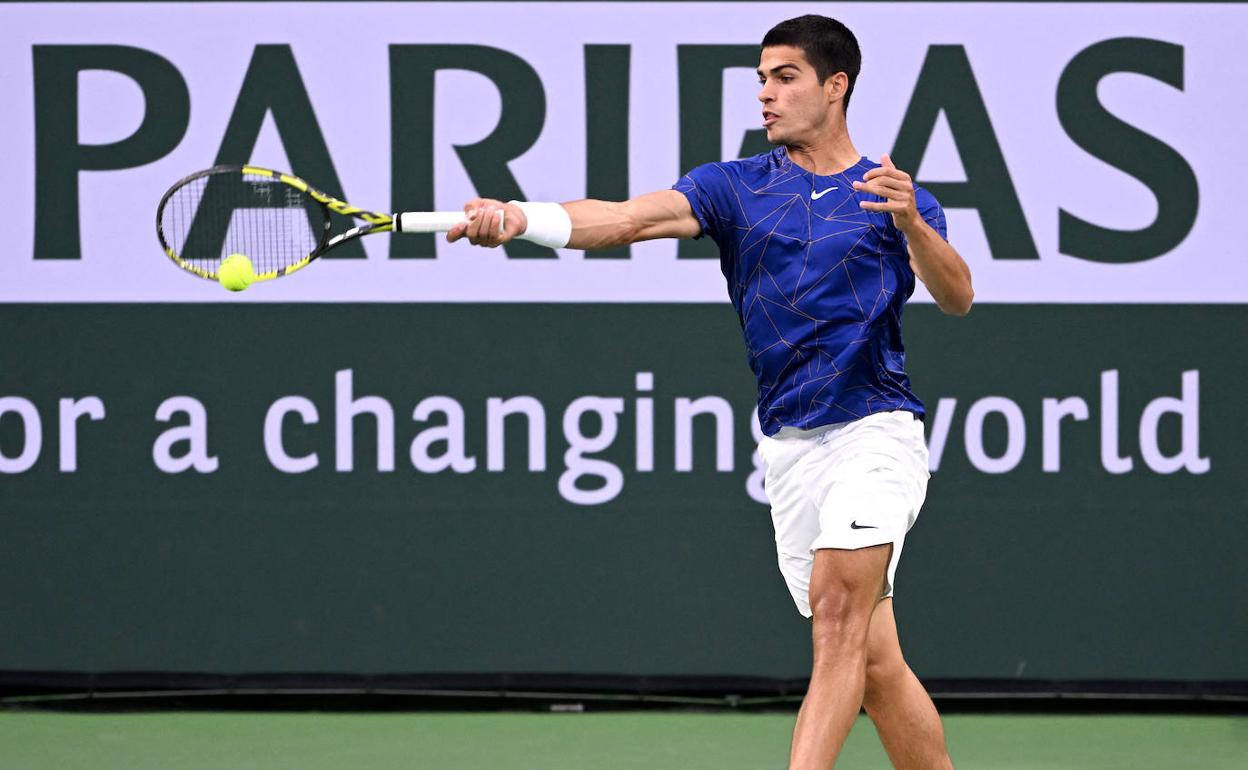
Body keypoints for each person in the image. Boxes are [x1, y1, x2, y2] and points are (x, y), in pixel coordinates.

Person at [448, 14, 971, 769]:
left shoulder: (892, 194)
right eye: (760, 78)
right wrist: (522, 218)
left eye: (784, 77)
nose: (765, 94)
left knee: (836, 618)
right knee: (876, 665)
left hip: (875, 428)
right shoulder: (736, 187)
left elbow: (957, 296)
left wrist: (913, 225)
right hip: (792, 446)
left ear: (835, 85)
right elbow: (624, 220)